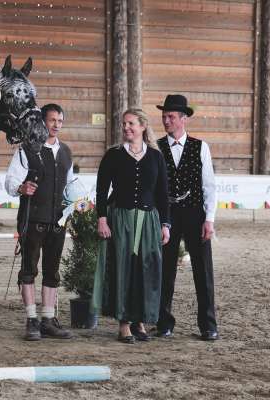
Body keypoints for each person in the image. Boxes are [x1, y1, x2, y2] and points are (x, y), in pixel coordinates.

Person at [93, 108, 170, 344]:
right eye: (124, 124)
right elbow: (102, 189)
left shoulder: (156, 157)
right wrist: (102, 218)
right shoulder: (113, 155)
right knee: (123, 268)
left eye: (131, 124)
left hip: (148, 221)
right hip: (122, 218)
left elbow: (162, 194)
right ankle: (124, 324)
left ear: (143, 126)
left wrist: (165, 224)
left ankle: (140, 322)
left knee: (145, 270)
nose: (126, 128)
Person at [5, 103, 75, 341]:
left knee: (52, 271)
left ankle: (48, 319)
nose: (56, 125)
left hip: (58, 221)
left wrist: (78, 202)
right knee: (28, 270)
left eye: (60, 121)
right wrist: (21, 187)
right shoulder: (26, 150)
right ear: (42, 122)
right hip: (32, 219)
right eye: (52, 120)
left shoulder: (66, 151)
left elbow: (71, 184)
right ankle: (31, 319)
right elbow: (10, 181)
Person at [155, 94, 219, 341]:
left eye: (170, 116)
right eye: (164, 116)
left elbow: (209, 186)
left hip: (195, 213)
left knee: (203, 271)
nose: (166, 121)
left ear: (183, 119)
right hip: (166, 214)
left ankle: (208, 325)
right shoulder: (156, 147)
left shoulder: (201, 147)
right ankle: (164, 323)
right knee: (165, 270)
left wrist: (209, 219)